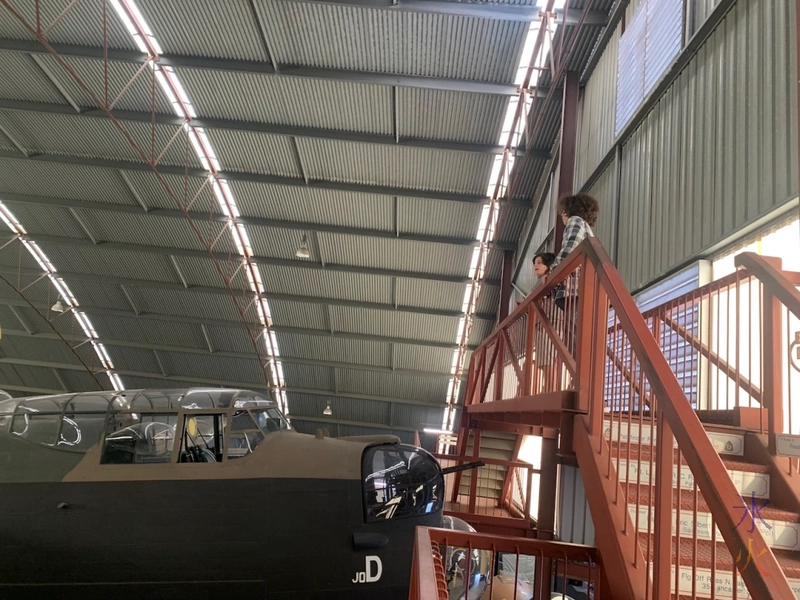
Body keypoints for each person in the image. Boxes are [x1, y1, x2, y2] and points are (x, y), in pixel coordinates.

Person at [549, 193, 599, 354]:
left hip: (576, 289)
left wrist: (552, 273)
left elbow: (569, 249)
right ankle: (581, 375)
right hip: (582, 289)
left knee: (575, 335)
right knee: (576, 334)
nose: (562, 217)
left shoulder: (575, 221)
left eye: (562, 213)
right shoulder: (586, 227)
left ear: (566, 211)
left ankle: (582, 376)